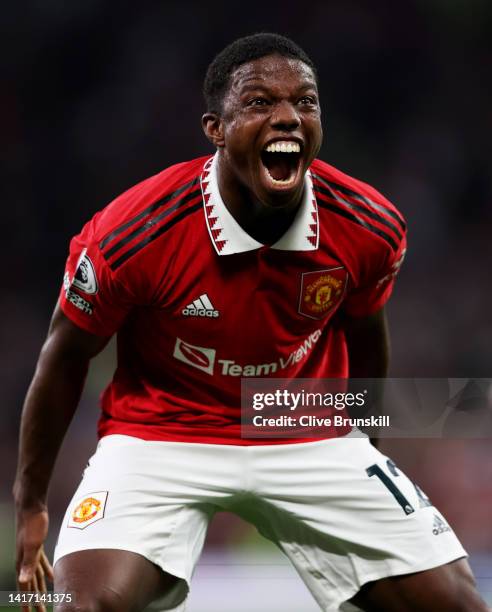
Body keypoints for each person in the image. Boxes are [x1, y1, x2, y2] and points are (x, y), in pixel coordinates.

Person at [14, 33, 488, 612]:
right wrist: (32, 503)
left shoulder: (370, 226)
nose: (287, 117)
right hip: (163, 431)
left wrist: (366, 450)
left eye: (305, 103)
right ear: (215, 128)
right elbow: (63, 357)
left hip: (303, 423)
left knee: (459, 605)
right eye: (261, 103)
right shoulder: (132, 233)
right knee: (81, 606)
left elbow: (366, 333)